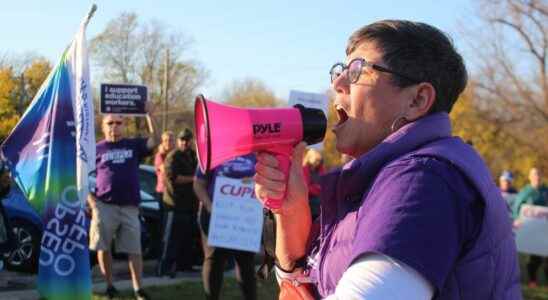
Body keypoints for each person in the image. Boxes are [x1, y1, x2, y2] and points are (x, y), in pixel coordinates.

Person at [254, 20, 520, 299]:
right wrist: (292, 214)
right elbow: (303, 289)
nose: (337, 83)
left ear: (416, 100)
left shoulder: (423, 180)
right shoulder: (379, 182)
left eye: (357, 70)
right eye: (341, 70)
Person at [88, 111, 157, 300]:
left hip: (129, 206)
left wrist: (151, 115)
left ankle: (138, 289)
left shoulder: (133, 145)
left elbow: (155, 141)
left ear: (124, 125)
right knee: (103, 247)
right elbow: (79, 175)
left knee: (134, 249)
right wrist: (91, 201)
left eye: (118, 122)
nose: (114, 126)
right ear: (103, 127)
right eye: (110, 123)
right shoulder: (96, 149)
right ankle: (109, 286)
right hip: (104, 206)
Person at [193, 154, 257, 300]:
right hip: (216, 216)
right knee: (214, 259)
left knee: (245, 261)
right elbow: (198, 183)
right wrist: (209, 205)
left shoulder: (255, 153)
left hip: (245, 217)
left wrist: (255, 183)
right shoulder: (213, 151)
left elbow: (262, 181)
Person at [157, 128, 199, 277]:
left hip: (190, 204)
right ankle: (164, 268)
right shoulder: (173, 156)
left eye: (187, 140)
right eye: (182, 140)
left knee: (187, 237)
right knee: (169, 239)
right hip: (174, 203)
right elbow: (172, 177)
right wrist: (193, 179)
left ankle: (185, 266)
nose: (185, 143)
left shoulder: (193, 155)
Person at [513, 167, 548, 288]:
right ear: (530, 177)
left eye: (538, 174)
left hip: (544, 230)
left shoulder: (546, 191)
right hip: (531, 231)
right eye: (534, 175)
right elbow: (517, 208)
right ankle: (533, 280)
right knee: (535, 257)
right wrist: (517, 219)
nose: (537, 177)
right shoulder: (525, 192)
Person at [302, 149, 325, 220]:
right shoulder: (304, 169)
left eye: (319, 161)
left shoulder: (320, 168)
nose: (318, 163)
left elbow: (324, 182)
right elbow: (305, 188)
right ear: (310, 160)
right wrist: (318, 188)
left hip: (319, 198)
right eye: (316, 161)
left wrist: (318, 188)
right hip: (309, 200)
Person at [154, 131, 175, 200]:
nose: (168, 142)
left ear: (174, 142)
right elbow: (165, 169)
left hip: (175, 191)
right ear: (162, 142)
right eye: (165, 140)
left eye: (170, 140)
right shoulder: (159, 155)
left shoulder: (177, 154)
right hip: (163, 191)